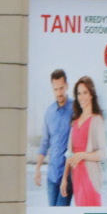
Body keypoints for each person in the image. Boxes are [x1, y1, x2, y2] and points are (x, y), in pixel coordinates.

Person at [61, 76, 106, 207]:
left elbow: (102, 153)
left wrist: (82, 155)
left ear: (91, 94)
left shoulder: (97, 120)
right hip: (76, 177)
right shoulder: (74, 122)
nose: (82, 97)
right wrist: (64, 178)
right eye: (79, 93)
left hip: (91, 177)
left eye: (85, 92)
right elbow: (69, 153)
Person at [34, 69, 74, 206]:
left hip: (68, 176)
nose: (59, 93)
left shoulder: (75, 109)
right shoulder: (49, 112)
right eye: (55, 89)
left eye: (61, 88)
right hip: (51, 176)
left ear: (67, 86)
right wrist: (38, 169)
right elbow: (45, 142)